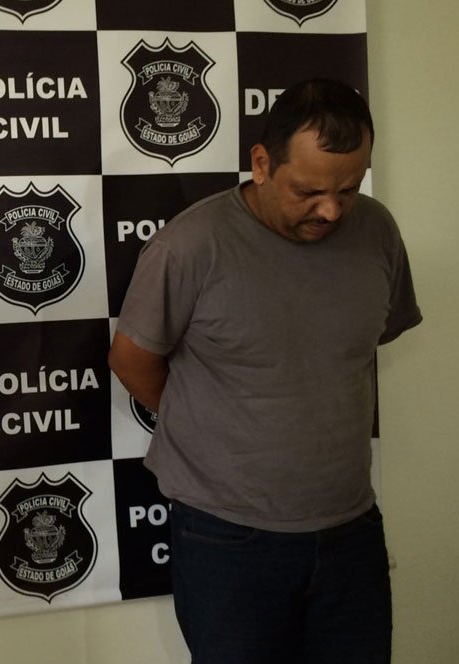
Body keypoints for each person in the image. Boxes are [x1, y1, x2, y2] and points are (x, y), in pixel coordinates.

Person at [109, 79, 421, 664]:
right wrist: (215, 426)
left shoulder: (377, 230)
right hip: (227, 537)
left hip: (351, 528)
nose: (330, 210)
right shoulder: (191, 245)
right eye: (308, 191)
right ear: (261, 164)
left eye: (348, 189)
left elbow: (358, 341)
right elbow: (131, 360)